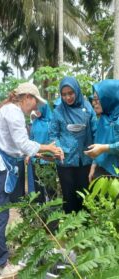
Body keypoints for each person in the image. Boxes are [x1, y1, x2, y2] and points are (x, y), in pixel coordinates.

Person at [0, 82, 63, 279]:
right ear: (26, 97)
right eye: (35, 102)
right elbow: (22, 144)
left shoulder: (7, 110)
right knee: (0, 216)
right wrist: (48, 148)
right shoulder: (14, 113)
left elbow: (17, 147)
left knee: (0, 214)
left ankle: (0, 258)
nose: (35, 107)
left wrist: (42, 152)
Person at [49, 76, 97, 214]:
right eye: (64, 94)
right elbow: (53, 134)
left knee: (85, 194)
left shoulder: (87, 108)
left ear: (77, 91)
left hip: (85, 160)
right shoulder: (58, 111)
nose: (67, 97)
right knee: (68, 196)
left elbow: (95, 132)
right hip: (65, 162)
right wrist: (58, 148)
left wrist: (95, 156)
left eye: (71, 93)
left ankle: (85, 228)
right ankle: (70, 229)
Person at [84, 80, 119, 180]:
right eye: (93, 99)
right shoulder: (103, 118)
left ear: (109, 98)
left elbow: (102, 147)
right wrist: (94, 165)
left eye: (97, 99)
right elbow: (99, 141)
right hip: (102, 169)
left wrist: (104, 148)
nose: (94, 103)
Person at [29, 102, 54, 202]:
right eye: (35, 109)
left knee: (50, 187)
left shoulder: (51, 123)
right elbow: (31, 139)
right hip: (36, 159)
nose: (36, 111)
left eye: (39, 109)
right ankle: (41, 210)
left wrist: (47, 153)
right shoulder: (35, 122)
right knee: (38, 186)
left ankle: (53, 208)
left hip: (48, 160)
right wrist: (31, 154)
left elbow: (53, 140)